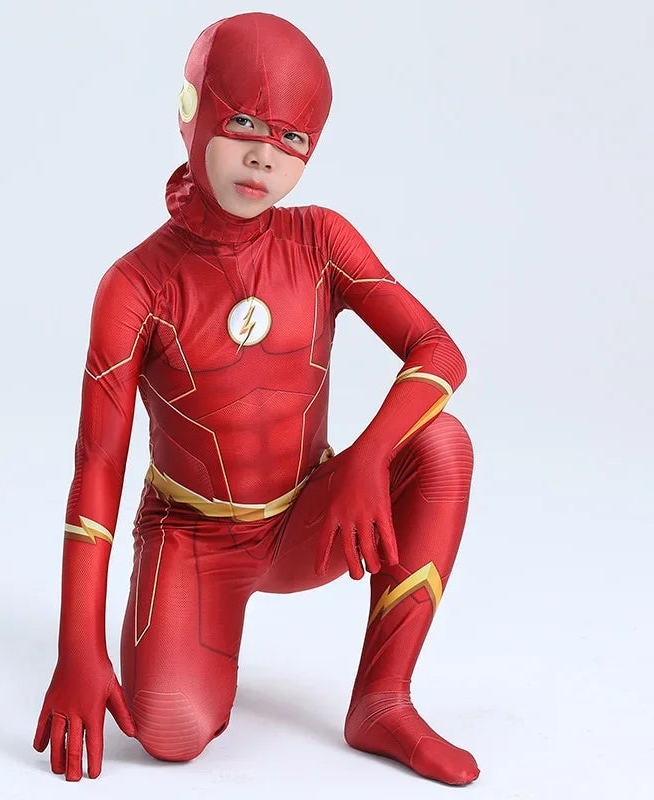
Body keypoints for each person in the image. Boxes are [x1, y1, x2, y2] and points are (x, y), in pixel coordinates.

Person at [33, 11, 480, 786]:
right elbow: (97, 466)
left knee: (442, 444)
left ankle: (383, 699)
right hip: (192, 532)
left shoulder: (321, 240)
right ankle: (193, 645)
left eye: (291, 138)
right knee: (170, 731)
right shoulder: (135, 285)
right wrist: (79, 647)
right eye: (242, 122)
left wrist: (366, 459)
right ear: (191, 109)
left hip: (314, 513)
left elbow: (439, 351)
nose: (262, 156)